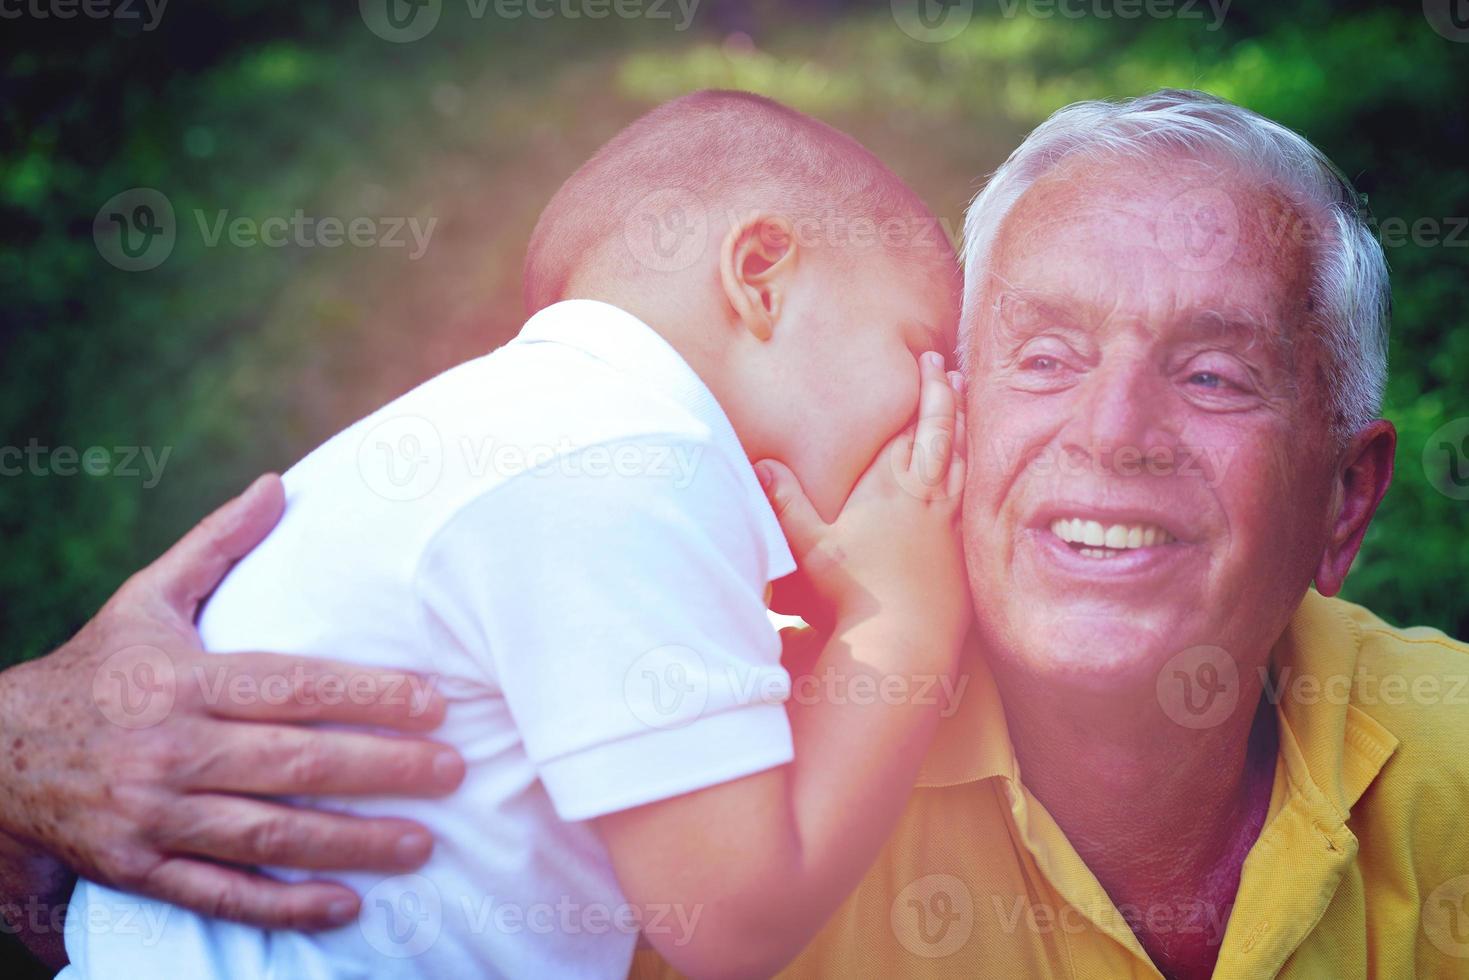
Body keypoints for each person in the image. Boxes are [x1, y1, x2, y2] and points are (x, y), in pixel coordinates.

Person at [56, 89, 971, 979]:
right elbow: (737, 919)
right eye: (918, 348)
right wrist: (905, 617)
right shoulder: (632, 460)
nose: (936, 409)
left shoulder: (535, 433)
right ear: (760, 274)